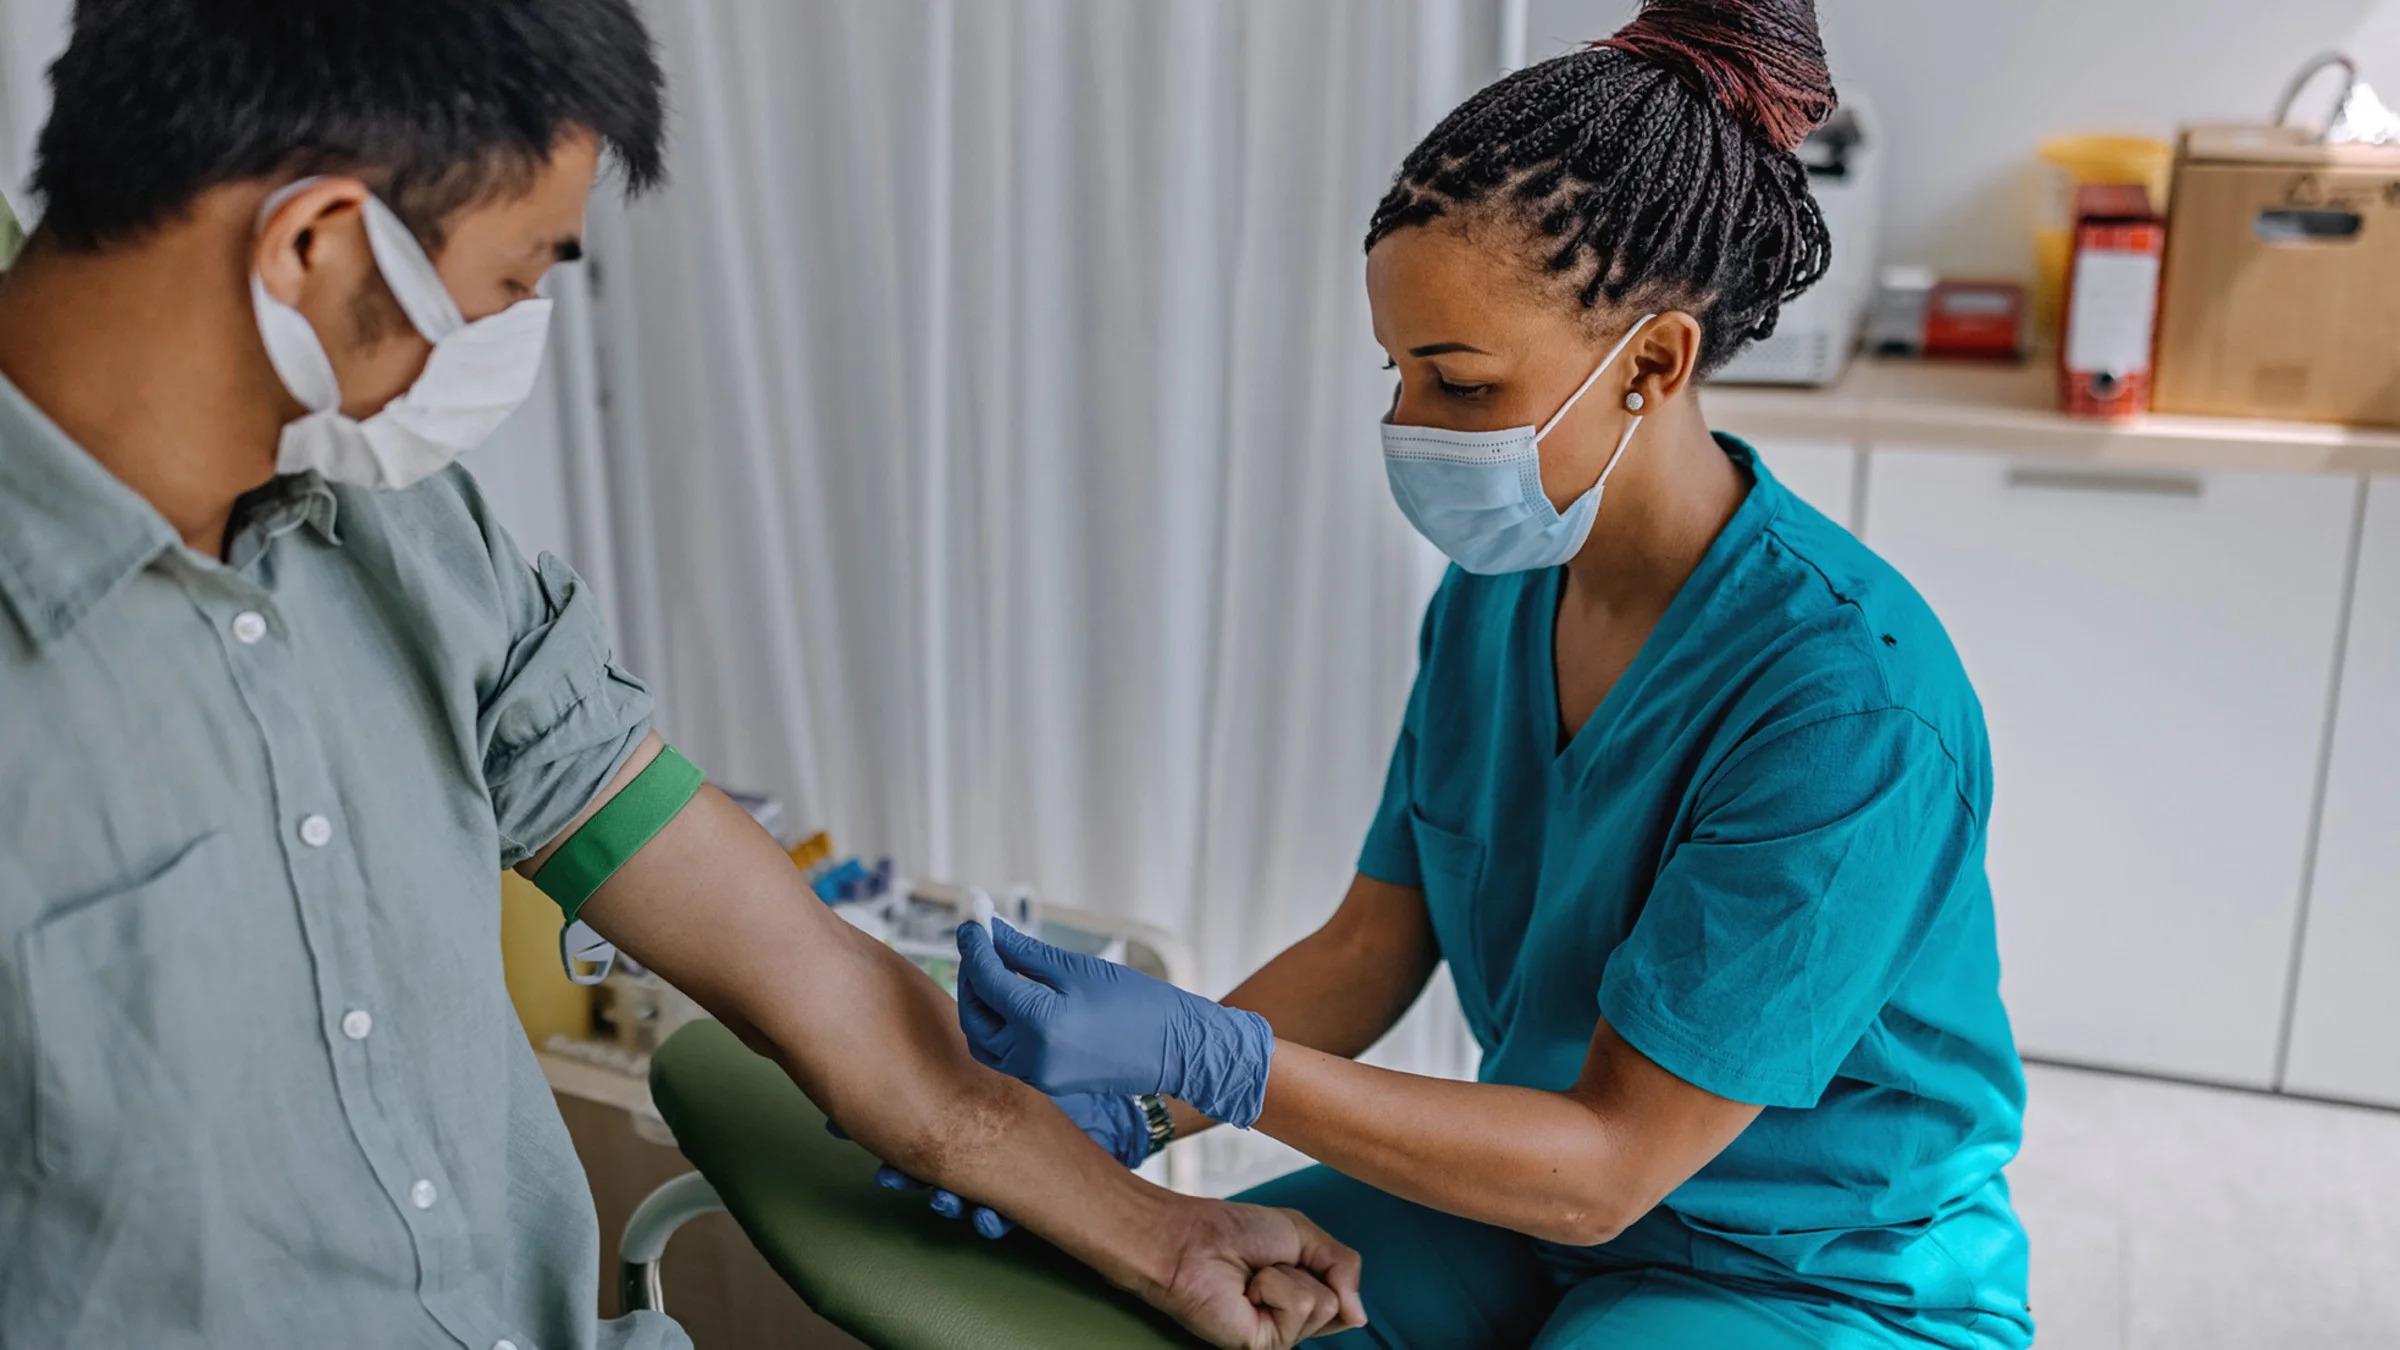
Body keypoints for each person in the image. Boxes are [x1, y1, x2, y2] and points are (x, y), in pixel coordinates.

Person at [0, 3, 1364, 1347]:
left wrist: (1162, 1229)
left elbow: (806, 979)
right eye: (510, 284)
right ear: (314, 244)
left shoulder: (413, 540)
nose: (502, 338)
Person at [943, 2, 2034, 1346]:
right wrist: (1118, 1112)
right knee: (1169, 1304)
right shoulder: (1497, 600)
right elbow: (1369, 941)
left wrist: (1206, 1054)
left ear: (1653, 362)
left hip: (1797, 1266)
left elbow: (1612, 1166)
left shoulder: (1846, 704)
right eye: (1398, 377)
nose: (1411, 429)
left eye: (1460, 387)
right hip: (1521, 1207)